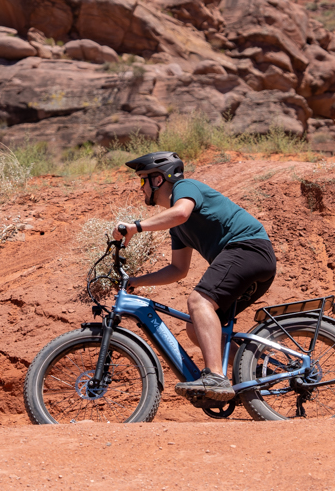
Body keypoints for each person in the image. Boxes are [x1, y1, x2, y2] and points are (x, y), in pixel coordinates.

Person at [113, 151, 276, 401]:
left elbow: (181, 212)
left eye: (142, 180)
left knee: (199, 301)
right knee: (195, 327)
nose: (140, 187)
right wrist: (137, 281)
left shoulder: (186, 188)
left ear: (158, 179)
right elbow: (178, 269)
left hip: (247, 249)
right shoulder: (177, 227)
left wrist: (136, 227)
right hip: (251, 260)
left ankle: (216, 377)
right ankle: (257, 371)